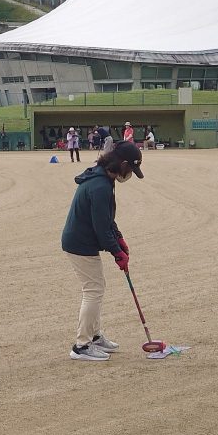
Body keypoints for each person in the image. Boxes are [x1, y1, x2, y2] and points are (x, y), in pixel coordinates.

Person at [60, 141, 143, 360]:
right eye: (131, 170)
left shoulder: (104, 178)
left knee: (97, 287)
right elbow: (100, 228)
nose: (130, 174)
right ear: (123, 164)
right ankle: (82, 346)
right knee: (93, 290)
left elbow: (107, 220)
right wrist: (117, 253)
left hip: (84, 241)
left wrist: (119, 239)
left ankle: (95, 336)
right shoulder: (100, 187)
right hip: (80, 244)